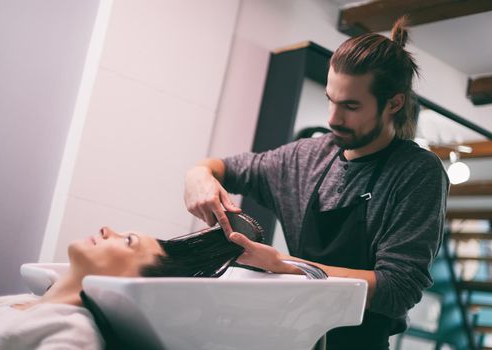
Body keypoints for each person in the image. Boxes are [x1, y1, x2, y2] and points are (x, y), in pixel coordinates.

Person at [184, 16, 449, 350]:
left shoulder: (416, 172)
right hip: (294, 336)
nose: (332, 119)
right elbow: (224, 168)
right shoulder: (305, 157)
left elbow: (397, 289)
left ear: (394, 103)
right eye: (331, 100)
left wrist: (286, 267)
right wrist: (197, 176)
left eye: (350, 106)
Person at [0, 225, 255, 349]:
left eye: (127, 240)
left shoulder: (70, 333)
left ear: (135, 282)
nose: (107, 230)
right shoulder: (18, 302)